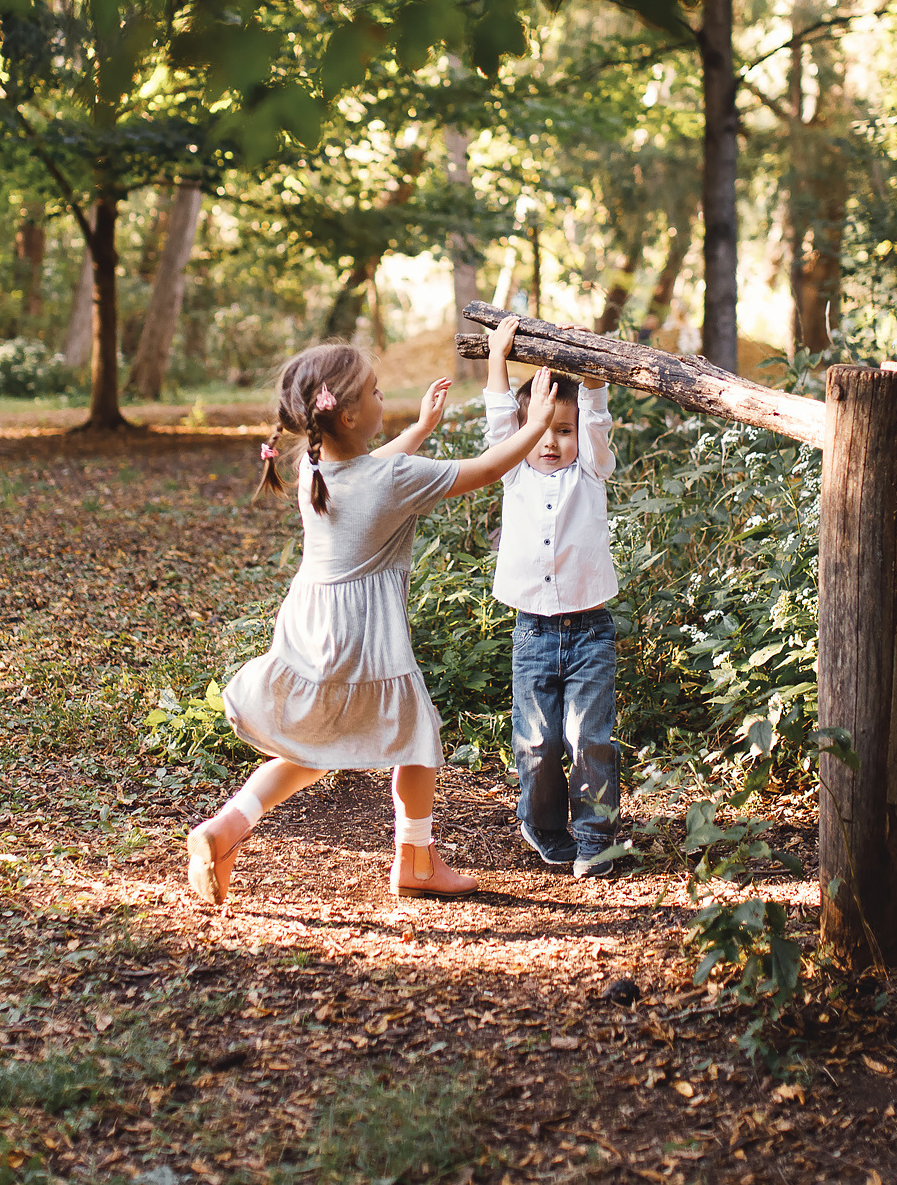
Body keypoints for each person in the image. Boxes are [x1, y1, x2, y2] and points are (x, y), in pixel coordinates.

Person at [186, 343, 563, 904]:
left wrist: (419, 428)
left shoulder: (314, 462)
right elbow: (484, 470)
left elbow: (373, 467)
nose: (383, 396)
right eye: (374, 392)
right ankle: (415, 859)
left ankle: (225, 828)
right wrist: (534, 425)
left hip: (311, 624)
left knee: (310, 750)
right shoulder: (394, 480)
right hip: (362, 633)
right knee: (416, 736)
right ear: (348, 415)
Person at [482, 314, 627, 878]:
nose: (551, 441)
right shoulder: (512, 471)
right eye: (540, 430)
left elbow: (595, 418)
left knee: (589, 739)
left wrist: (590, 367)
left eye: (561, 431)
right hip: (534, 630)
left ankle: (594, 837)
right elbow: (500, 424)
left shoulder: (590, 470)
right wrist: (498, 359)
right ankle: (543, 826)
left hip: (590, 628)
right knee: (538, 743)